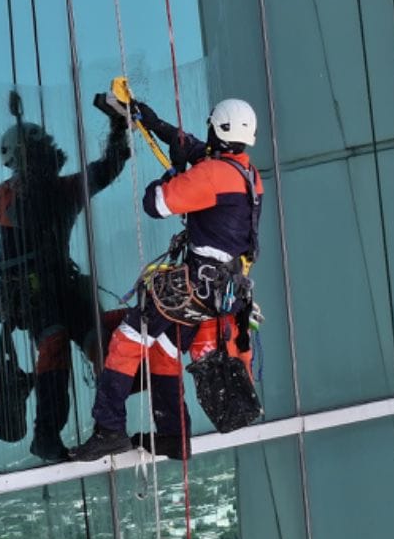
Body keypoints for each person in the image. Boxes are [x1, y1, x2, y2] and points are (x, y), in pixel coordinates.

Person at [69, 97, 262, 461]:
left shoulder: (210, 174)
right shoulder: (246, 173)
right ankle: (174, 436)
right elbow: (195, 148)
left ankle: (109, 428)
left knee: (127, 340)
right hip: (220, 293)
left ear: (215, 128)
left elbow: (155, 204)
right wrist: (153, 123)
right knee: (163, 349)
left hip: (193, 287)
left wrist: (173, 173)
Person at [0, 94, 130, 461]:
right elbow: (25, 214)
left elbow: (108, 168)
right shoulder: (9, 195)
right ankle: (46, 436)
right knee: (54, 346)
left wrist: (119, 129)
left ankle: (109, 428)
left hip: (59, 286)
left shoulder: (59, 189)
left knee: (98, 342)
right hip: (35, 291)